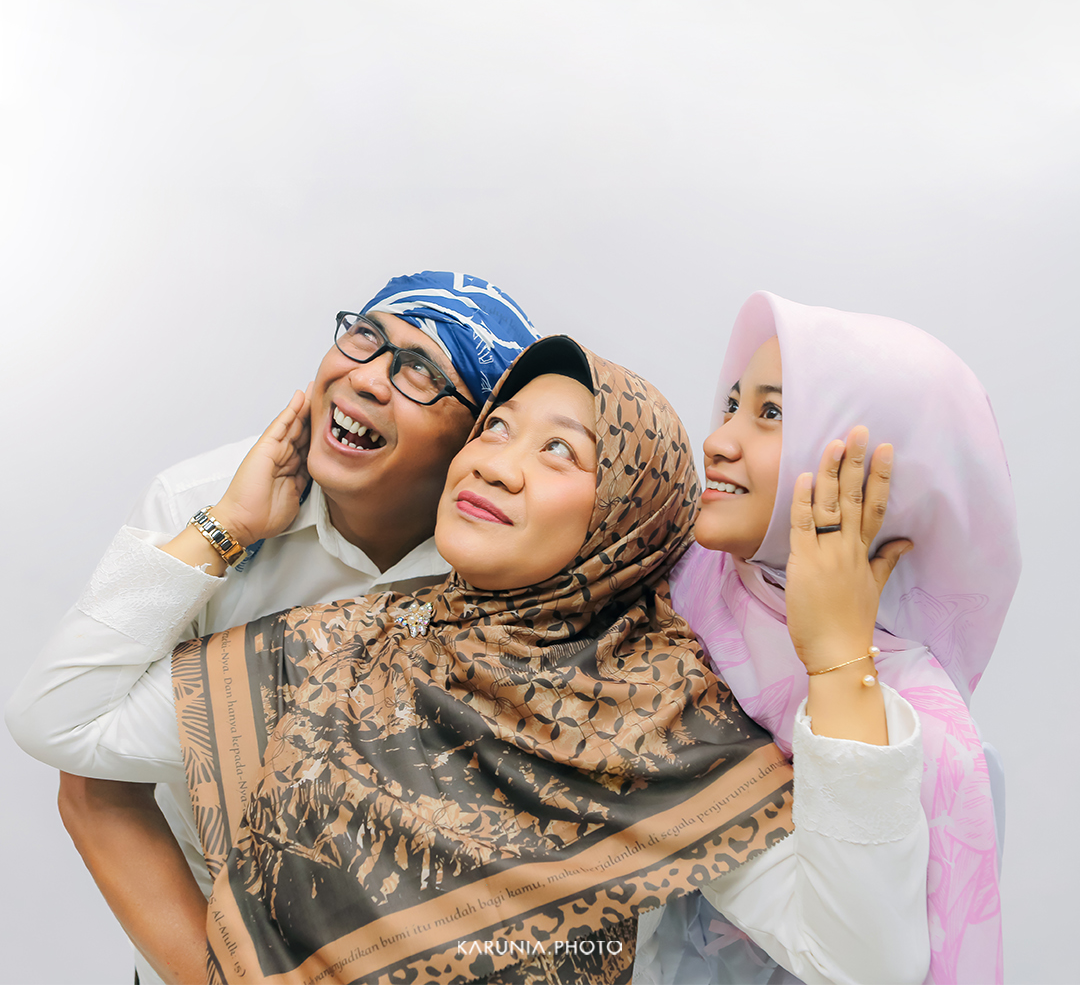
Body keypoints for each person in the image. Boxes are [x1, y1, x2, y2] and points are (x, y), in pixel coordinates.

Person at [10, 335, 931, 985]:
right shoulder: (350, 638)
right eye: (495, 428)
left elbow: (866, 962)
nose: (496, 462)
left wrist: (841, 660)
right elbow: (61, 722)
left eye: (559, 450)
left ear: (624, 520)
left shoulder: (664, 722)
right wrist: (224, 529)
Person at [40, 269, 540, 985]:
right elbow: (89, 781)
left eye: (422, 371)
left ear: (476, 439)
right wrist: (228, 529)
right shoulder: (196, 502)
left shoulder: (508, 561)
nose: (368, 379)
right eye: (366, 336)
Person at [656, 291, 1018, 985]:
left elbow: (869, 969)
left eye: (772, 413)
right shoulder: (668, 599)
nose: (718, 439)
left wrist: (837, 666)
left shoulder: (930, 736)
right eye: (733, 403)